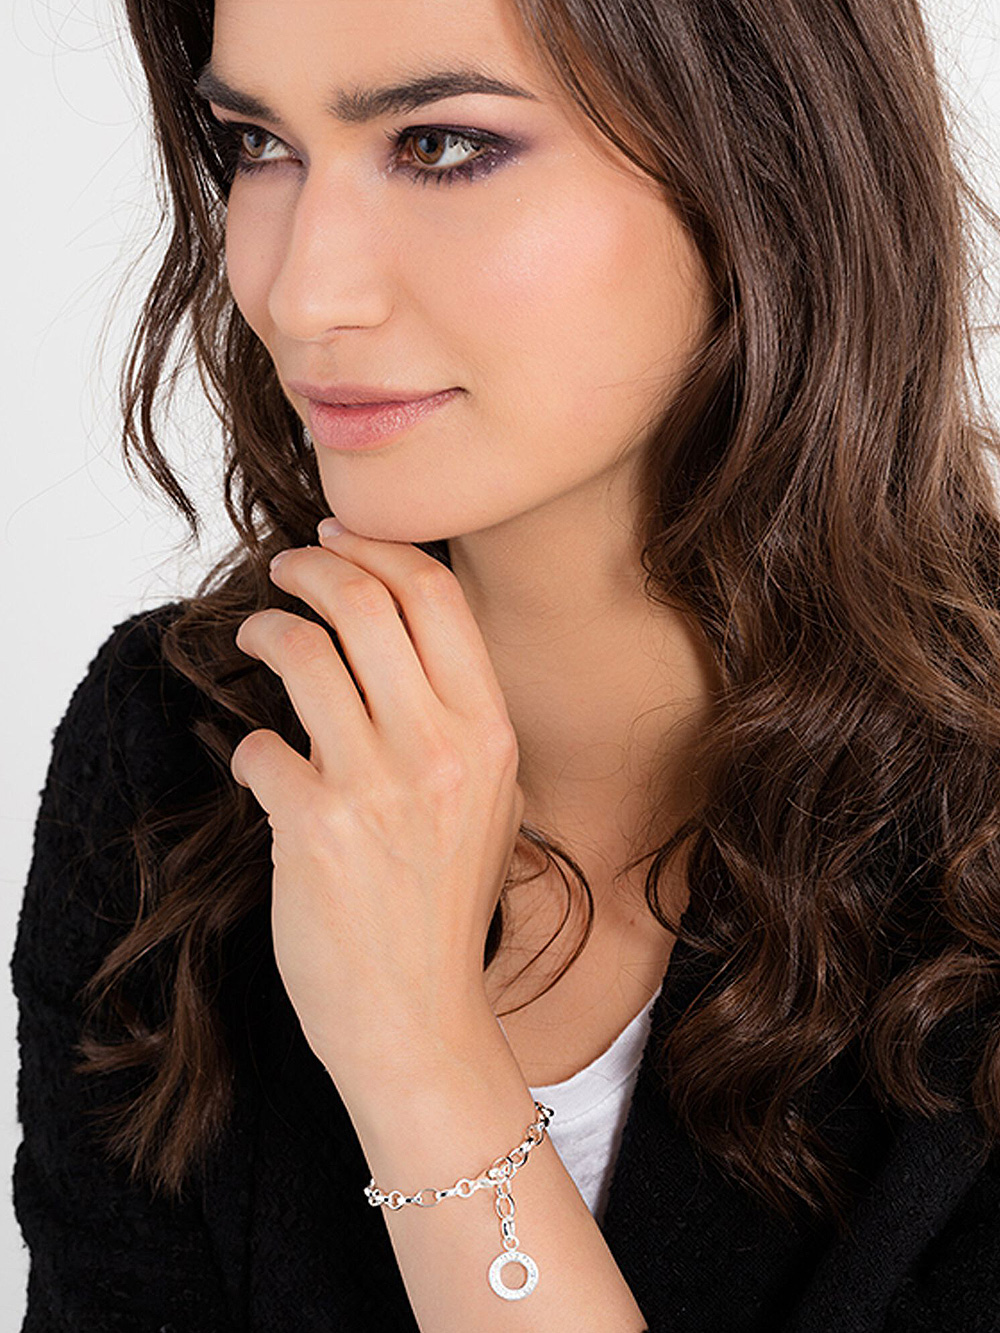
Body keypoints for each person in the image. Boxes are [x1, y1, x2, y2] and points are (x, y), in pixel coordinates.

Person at [11, 0, 1000, 1328]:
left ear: (764, 166)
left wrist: (423, 1057)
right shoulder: (182, 750)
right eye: (258, 143)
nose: (303, 292)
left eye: (441, 145)